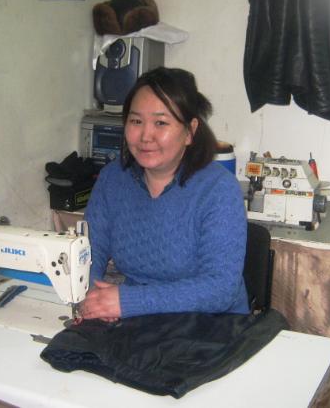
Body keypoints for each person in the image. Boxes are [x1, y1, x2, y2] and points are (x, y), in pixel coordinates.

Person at [81, 67, 249, 321]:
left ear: (190, 132)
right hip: (142, 322)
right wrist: (91, 291)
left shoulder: (218, 190)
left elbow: (220, 289)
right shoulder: (112, 179)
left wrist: (127, 301)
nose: (145, 136)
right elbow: (89, 252)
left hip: (211, 325)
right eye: (136, 121)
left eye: (161, 123)